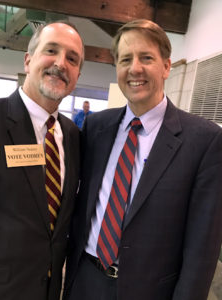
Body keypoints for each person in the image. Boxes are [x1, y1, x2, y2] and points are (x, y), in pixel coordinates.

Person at [63, 19, 222, 300]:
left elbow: (202, 247)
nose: (135, 68)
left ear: (166, 66)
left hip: (150, 290)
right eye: (126, 59)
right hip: (85, 281)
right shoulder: (95, 128)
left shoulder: (204, 140)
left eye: (146, 57)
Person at [0, 20, 84, 300]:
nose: (61, 63)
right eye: (51, 50)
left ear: (77, 74)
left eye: (72, 59)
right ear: (28, 60)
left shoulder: (72, 135)